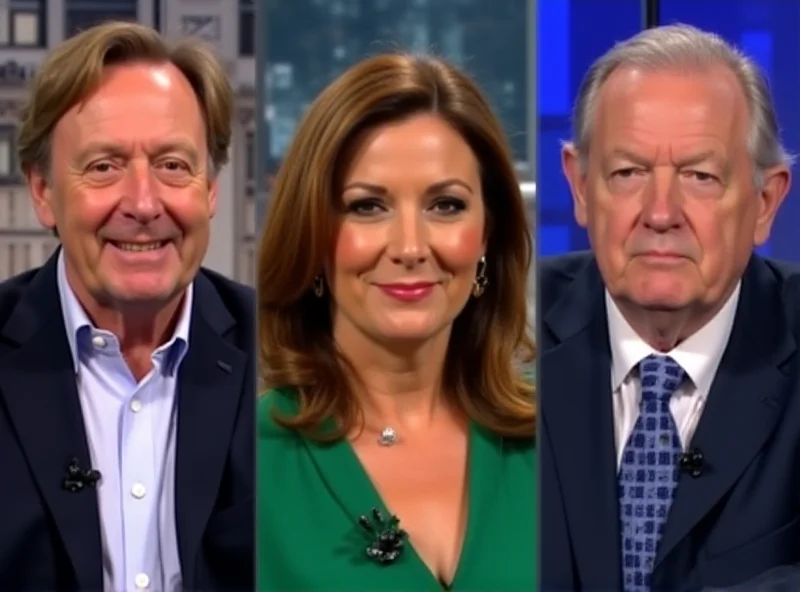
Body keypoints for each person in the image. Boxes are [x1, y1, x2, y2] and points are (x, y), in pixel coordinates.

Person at [256, 53, 536, 591]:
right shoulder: (241, 464)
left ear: (487, 235)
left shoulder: (563, 445)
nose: (410, 247)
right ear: (313, 235)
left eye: (446, 205)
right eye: (367, 207)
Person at [540, 23, 800, 592]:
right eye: (628, 173)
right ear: (581, 187)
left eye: (700, 176)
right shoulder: (499, 329)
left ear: (765, 201)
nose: (661, 213)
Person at [0, 22, 254, 591]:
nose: (143, 203)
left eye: (172, 165)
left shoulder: (295, 355)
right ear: (42, 191)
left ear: (210, 189)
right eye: (104, 166)